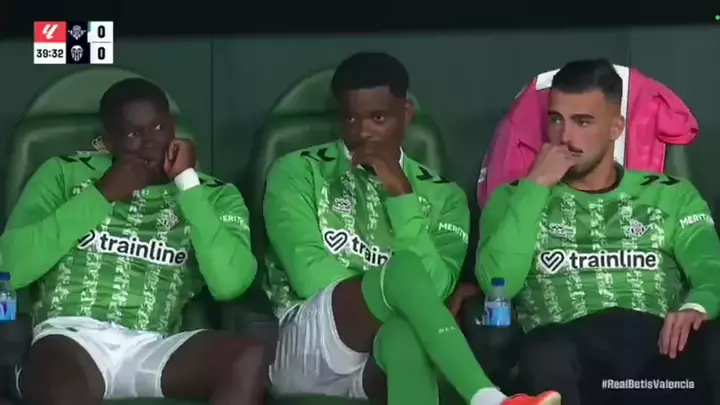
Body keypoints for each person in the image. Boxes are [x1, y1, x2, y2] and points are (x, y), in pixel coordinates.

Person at [264, 52, 560, 405]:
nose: (362, 132)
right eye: (350, 118)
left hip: (384, 352)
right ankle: (490, 400)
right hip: (307, 349)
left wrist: (402, 196)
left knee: (405, 336)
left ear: (405, 114)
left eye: (378, 118)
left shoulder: (444, 196)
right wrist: (389, 289)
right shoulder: (297, 172)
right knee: (403, 272)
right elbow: (309, 277)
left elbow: (435, 288)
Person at [0, 78, 268, 405]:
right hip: (71, 336)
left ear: (174, 129)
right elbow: (9, 267)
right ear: (108, 143)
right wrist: (101, 195)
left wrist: (187, 185)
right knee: (62, 388)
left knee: (246, 359)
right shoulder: (63, 174)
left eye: (158, 128)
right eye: (132, 134)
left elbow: (231, 284)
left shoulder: (213, 194)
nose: (150, 143)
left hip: (154, 344)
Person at [476, 58, 720, 405]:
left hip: (659, 351)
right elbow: (497, 282)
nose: (565, 137)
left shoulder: (670, 194)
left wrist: (697, 306)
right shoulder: (513, 197)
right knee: (544, 352)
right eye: (556, 120)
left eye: (583, 122)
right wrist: (536, 186)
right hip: (568, 351)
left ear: (616, 128)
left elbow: (711, 267)